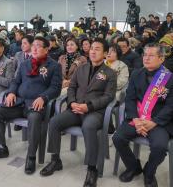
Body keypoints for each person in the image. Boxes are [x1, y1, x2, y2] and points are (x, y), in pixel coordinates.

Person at [40, 38, 117, 187]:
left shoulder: (110, 73)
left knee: (88, 127)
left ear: (106, 53)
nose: (93, 51)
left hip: (94, 112)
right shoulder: (82, 68)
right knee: (54, 122)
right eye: (92, 48)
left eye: (98, 49)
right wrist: (72, 102)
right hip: (75, 109)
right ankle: (56, 160)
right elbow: (71, 87)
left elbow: (108, 97)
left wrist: (88, 106)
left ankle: (91, 168)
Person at [0, 36, 62, 174]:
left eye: (38, 46)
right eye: (33, 46)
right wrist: (12, 92)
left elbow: (55, 88)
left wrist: (43, 97)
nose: (35, 48)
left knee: (34, 118)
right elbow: (15, 81)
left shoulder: (54, 66)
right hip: (19, 102)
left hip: (36, 104)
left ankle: (31, 156)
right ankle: (1, 147)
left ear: (46, 49)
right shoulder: (25, 63)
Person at [112, 43, 173, 187]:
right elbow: (130, 99)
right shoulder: (136, 73)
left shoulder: (170, 79)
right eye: (145, 55)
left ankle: (149, 172)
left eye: (151, 55)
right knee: (117, 138)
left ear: (161, 58)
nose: (146, 58)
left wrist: (154, 122)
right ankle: (134, 167)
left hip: (158, 122)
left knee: (159, 146)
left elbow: (171, 106)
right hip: (138, 117)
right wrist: (135, 118)